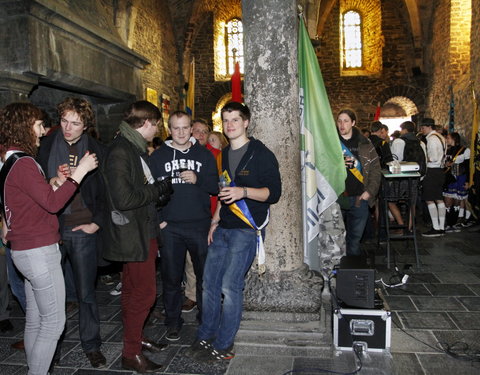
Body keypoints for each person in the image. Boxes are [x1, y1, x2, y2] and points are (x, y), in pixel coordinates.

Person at [0, 102, 98, 375]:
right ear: (24, 126)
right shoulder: (24, 162)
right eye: (39, 125)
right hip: (38, 251)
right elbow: (54, 205)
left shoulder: (10, 160)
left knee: (34, 320)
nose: (44, 131)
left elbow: (26, 199)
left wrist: (54, 181)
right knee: (54, 324)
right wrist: (81, 171)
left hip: (24, 250)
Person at [186, 101, 281, 362]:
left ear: (246, 122)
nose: (230, 125)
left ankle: (225, 343)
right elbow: (224, 189)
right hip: (224, 226)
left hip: (245, 230)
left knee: (230, 286)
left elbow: (274, 193)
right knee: (208, 284)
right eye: (226, 120)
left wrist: (245, 192)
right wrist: (214, 221)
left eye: (235, 120)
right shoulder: (224, 154)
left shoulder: (261, 153)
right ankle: (206, 335)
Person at [101, 100, 172, 373]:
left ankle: (136, 338)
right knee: (143, 293)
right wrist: (158, 190)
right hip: (132, 235)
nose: (157, 130)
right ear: (145, 124)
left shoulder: (133, 146)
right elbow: (124, 197)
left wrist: (156, 191)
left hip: (142, 231)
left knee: (132, 291)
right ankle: (130, 353)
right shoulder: (122, 150)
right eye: (156, 125)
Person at [37, 97, 106, 368]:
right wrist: (52, 181)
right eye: (64, 121)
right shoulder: (44, 146)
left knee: (85, 292)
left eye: (75, 123)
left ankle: (91, 344)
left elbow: (107, 192)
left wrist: (97, 223)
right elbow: (36, 183)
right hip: (51, 226)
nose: (68, 128)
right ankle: (50, 347)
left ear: (86, 125)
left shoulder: (97, 150)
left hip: (82, 226)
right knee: (52, 295)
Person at [150, 111, 218, 341]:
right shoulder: (158, 157)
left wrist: (198, 180)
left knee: (204, 277)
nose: (180, 132)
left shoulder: (204, 155)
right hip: (171, 226)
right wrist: (159, 220)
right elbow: (149, 192)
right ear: (169, 130)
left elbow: (216, 188)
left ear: (191, 129)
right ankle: (172, 321)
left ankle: (205, 319)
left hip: (199, 224)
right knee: (171, 277)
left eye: (185, 127)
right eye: (176, 128)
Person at [337, 109, 381, 256]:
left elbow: (376, 169)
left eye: (346, 121)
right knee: (335, 239)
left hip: (359, 198)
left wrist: (370, 192)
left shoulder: (365, 144)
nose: (342, 125)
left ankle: (352, 274)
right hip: (336, 198)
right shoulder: (331, 143)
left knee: (354, 240)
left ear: (353, 123)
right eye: (339, 121)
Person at [420, 118, 447, 237]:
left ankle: (436, 228)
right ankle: (441, 227)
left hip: (432, 170)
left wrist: (424, 160)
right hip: (440, 171)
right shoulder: (441, 137)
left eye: (423, 128)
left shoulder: (431, 139)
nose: (422, 130)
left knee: (429, 199)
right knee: (439, 198)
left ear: (429, 127)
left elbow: (434, 158)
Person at [443, 132, 471, 231]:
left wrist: (468, 181)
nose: (447, 140)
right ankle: (448, 223)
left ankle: (454, 223)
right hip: (450, 178)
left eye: (448, 138)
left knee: (457, 203)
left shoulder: (465, 150)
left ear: (454, 139)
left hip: (460, 178)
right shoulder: (447, 150)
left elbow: (468, 167)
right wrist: (445, 165)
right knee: (448, 202)